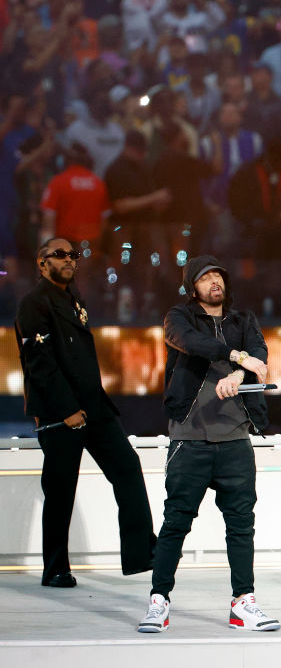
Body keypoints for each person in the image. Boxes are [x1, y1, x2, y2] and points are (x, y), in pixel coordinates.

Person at [138, 255, 280, 633]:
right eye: (205, 277)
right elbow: (191, 343)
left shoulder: (243, 320)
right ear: (192, 287)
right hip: (190, 437)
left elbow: (260, 353)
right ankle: (159, 600)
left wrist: (238, 374)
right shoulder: (178, 318)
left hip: (235, 437)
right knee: (176, 522)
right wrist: (236, 356)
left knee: (241, 524)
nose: (214, 281)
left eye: (218, 275)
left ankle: (243, 603)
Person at [15, 238, 156, 588]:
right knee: (61, 490)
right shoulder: (33, 303)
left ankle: (142, 552)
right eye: (59, 254)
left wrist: (91, 403)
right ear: (41, 263)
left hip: (94, 406)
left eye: (73, 255)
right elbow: (39, 363)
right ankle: (55, 569)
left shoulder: (74, 297)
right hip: (60, 412)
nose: (68, 260)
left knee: (127, 466)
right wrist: (67, 409)